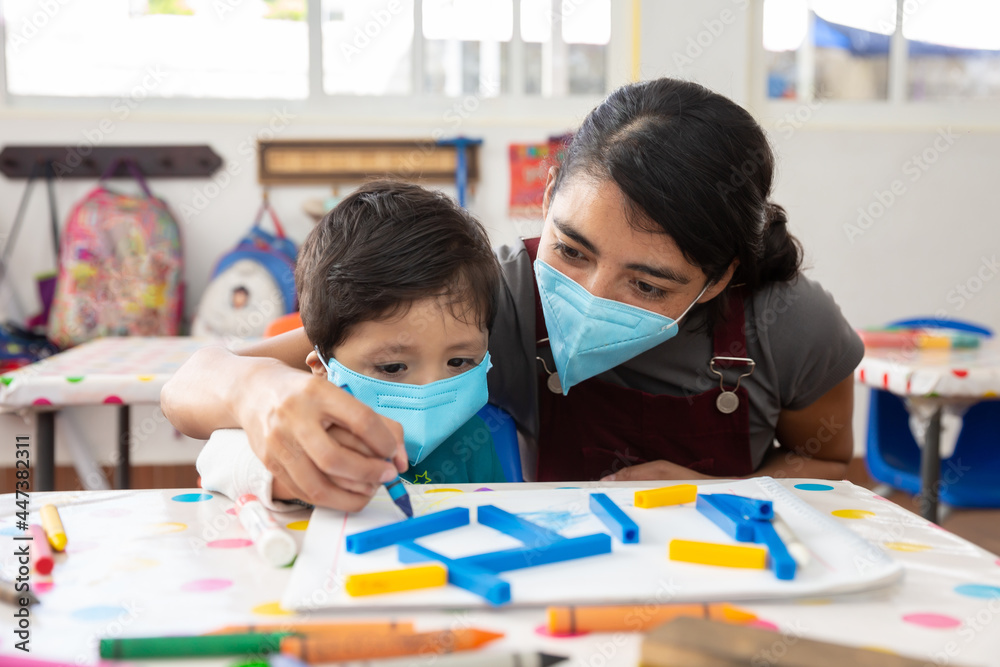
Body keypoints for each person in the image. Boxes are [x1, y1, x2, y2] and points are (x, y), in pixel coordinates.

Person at [162, 78, 861, 510]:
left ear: (721, 276)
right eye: (571, 250)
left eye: (646, 283)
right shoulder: (495, 297)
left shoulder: (790, 325)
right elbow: (188, 389)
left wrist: (719, 493)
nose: (590, 294)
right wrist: (257, 392)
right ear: (550, 196)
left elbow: (828, 465)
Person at [194, 181, 507, 511]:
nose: (430, 388)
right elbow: (216, 461)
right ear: (321, 371)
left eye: (459, 362)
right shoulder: (293, 433)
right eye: (393, 367)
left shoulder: (473, 440)